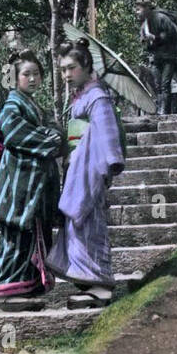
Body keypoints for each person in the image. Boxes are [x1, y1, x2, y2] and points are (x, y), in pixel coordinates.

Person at [46, 40, 125, 308]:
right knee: (76, 224)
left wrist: (109, 166)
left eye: (72, 68)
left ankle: (100, 283)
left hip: (91, 166)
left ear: (86, 66)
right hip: (77, 165)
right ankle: (88, 281)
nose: (67, 75)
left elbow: (108, 133)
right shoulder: (82, 95)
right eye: (63, 69)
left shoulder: (98, 97)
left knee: (89, 221)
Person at [0, 52, 63, 305]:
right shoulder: (12, 105)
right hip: (17, 186)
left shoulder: (35, 107)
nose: (32, 79)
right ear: (16, 78)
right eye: (26, 74)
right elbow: (13, 133)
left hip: (34, 188)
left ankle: (26, 289)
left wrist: (54, 135)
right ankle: (6, 292)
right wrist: (48, 138)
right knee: (16, 241)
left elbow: (57, 131)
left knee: (31, 240)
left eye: (36, 74)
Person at [135, 0, 177, 116]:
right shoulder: (144, 24)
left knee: (165, 84)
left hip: (168, 57)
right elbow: (144, 43)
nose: (137, 12)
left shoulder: (161, 18)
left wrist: (156, 38)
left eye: (139, 9)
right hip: (155, 58)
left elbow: (174, 33)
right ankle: (160, 108)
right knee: (157, 84)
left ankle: (164, 111)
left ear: (146, 8)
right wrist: (146, 41)